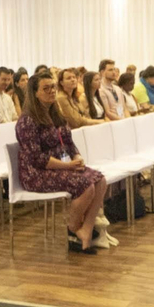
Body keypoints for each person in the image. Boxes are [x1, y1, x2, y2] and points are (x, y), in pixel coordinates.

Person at [15, 75, 108, 254]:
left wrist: (77, 158)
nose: (51, 91)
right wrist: (68, 166)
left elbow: (69, 143)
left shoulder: (55, 114)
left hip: (62, 166)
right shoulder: (27, 121)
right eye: (46, 88)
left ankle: (86, 230)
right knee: (85, 185)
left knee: (100, 180)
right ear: (35, 93)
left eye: (52, 87)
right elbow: (37, 158)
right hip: (36, 174)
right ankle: (73, 230)